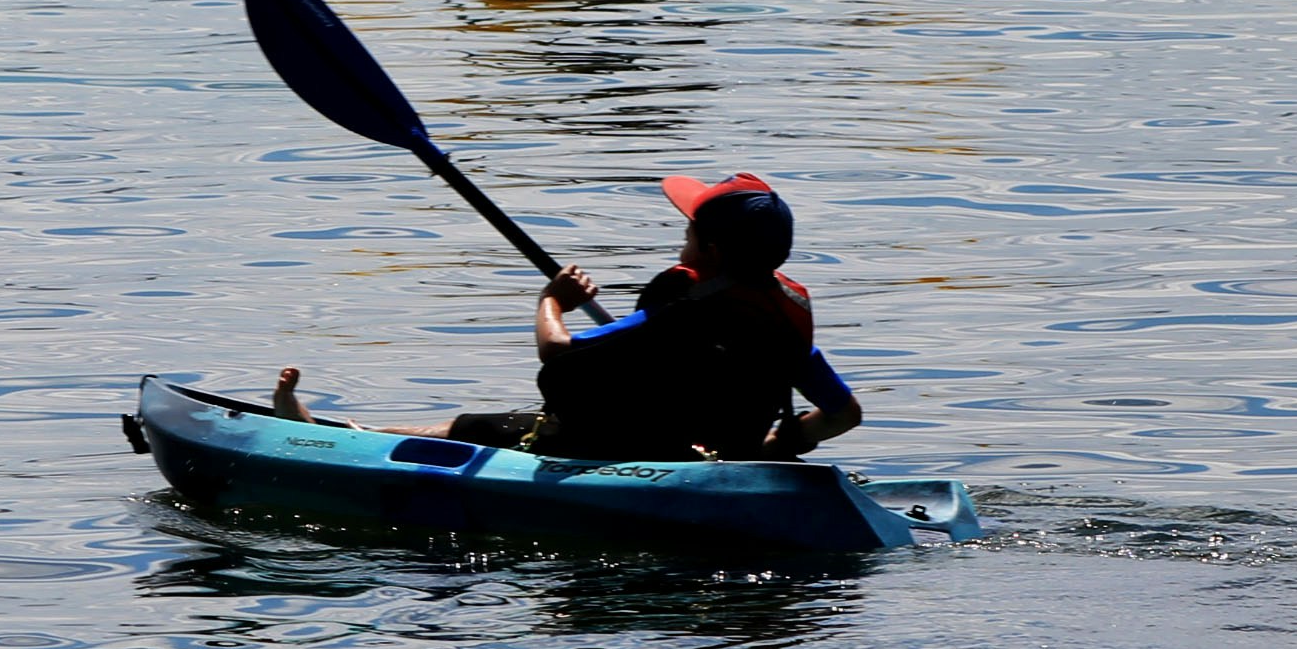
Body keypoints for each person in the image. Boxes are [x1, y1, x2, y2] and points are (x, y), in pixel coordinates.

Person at [272, 173, 862, 462]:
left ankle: (326, 435)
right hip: (722, 453)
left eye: (687, 228)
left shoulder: (681, 309)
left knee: (471, 427)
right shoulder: (785, 320)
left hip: (628, 453)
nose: (680, 233)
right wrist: (773, 446)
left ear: (709, 251)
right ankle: (329, 428)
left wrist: (551, 300)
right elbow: (844, 413)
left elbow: (558, 354)